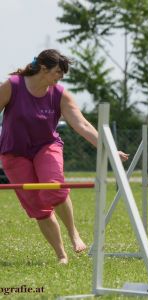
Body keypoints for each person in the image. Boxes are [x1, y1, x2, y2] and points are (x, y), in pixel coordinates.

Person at [0, 49, 129, 264]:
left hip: (46, 146)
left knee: (53, 186)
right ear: (43, 68)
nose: (61, 77)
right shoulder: (12, 86)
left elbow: (82, 125)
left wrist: (109, 149)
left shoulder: (59, 94)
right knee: (37, 207)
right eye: (58, 72)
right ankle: (61, 255)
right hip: (14, 152)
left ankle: (73, 233)